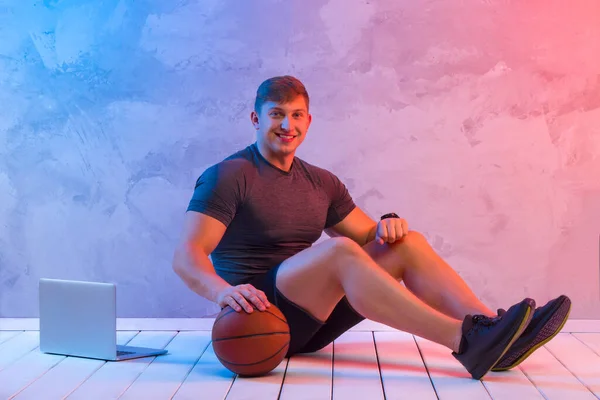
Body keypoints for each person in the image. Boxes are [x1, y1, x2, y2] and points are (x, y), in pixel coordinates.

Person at [172, 75, 571, 380]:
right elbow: (187, 256)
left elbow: (370, 238)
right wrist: (224, 293)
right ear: (257, 118)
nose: (286, 124)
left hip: (312, 323)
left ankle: (495, 330)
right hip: (260, 316)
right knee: (339, 251)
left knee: (407, 243)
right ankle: (463, 340)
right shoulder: (229, 176)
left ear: (308, 121)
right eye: (277, 113)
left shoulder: (321, 182)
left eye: (296, 115)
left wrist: (389, 224)